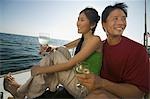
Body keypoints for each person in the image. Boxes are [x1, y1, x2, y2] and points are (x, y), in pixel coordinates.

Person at [4, 7, 102, 99]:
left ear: (92, 25)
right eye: (78, 19)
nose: (77, 23)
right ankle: (31, 89)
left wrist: (40, 69)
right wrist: (50, 48)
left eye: (82, 20)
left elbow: (69, 65)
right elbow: (64, 47)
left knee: (53, 57)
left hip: (83, 88)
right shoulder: (82, 40)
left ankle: (20, 92)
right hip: (76, 77)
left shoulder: (95, 40)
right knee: (61, 50)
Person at [77, 3, 149, 98]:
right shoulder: (99, 46)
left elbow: (138, 94)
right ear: (104, 24)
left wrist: (102, 83)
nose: (121, 23)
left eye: (123, 19)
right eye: (115, 18)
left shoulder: (138, 50)